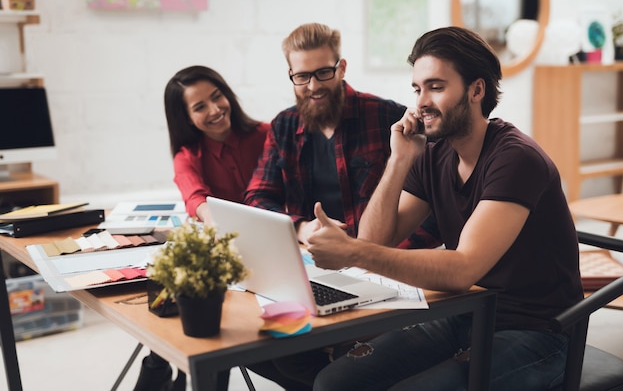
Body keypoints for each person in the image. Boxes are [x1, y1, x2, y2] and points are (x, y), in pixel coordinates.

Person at [306, 26, 583, 391]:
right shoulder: (433, 153)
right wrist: (399, 160)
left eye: (435, 87)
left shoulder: (516, 158)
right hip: (466, 314)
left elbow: (461, 270)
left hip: (538, 331)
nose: (421, 102)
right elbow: (375, 240)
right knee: (334, 382)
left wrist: (354, 251)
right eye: (417, 89)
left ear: (476, 90)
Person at [243, 22, 441, 389]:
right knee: (266, 348)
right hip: (315, 264)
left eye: (323, 73)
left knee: (331, 365)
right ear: (291, 75)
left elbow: (431, 212)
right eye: (302, 77)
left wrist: (382, 261)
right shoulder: (284, 126)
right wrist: (302, 227)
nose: (313, 86)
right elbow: (258, 197)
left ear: (342, 67)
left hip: (382, 269)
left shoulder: (387, 118)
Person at [133, 65, 270, 391]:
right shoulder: (188, 155)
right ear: (186, 117)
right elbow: (195, 197)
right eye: (200, 107)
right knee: (188, 299)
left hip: (267, 250)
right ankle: (164, 364)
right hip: (221, 249)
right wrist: (215, 222)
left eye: (217, 97)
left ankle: (169, 370)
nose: (215, 110)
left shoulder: (266, 135)